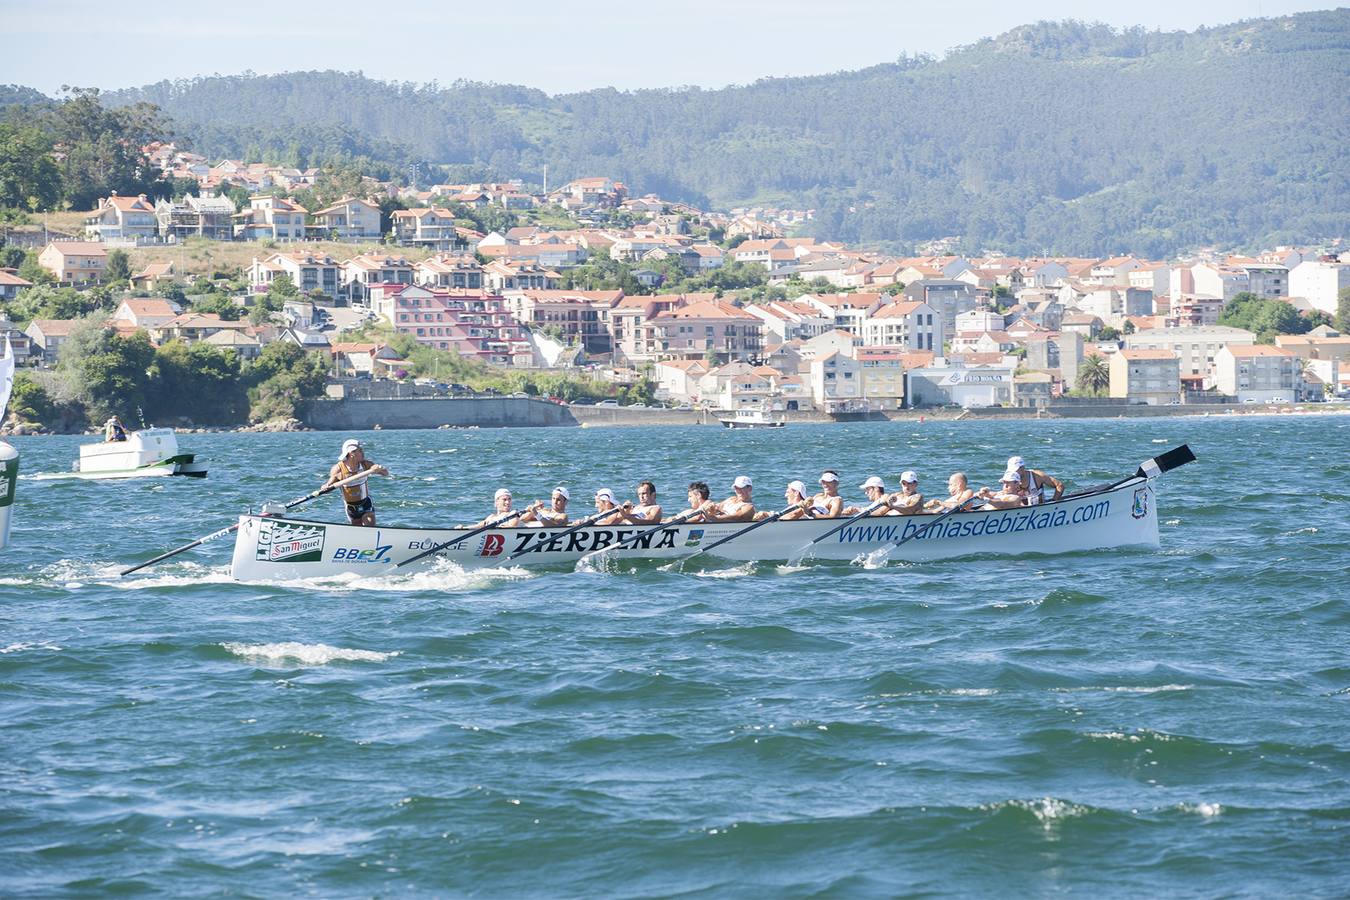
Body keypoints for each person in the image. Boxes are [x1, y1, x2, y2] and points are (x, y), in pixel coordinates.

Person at [322, 439, 389, 526]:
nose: (363, 452)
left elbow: (386, 473)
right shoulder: (338, 469)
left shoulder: (366, 465)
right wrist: (325, 487)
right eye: (360, 450)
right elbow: (329, 487)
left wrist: (379, 468)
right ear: (351, 453)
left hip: (366, 503)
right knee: (358, 529)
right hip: (351, 507)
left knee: (370, 527)